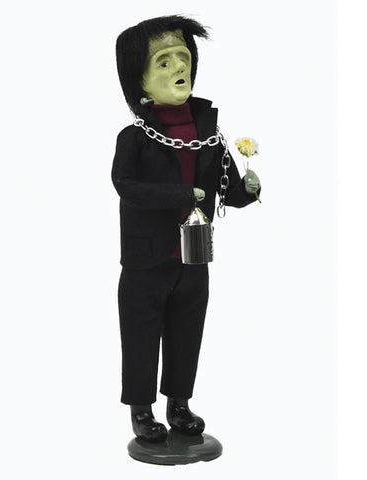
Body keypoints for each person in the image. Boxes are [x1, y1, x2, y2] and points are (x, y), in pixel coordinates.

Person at [113, 15, 261, 443]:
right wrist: (182, 194)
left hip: (194, 255)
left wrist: (248, 190)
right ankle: (141, 410)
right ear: (139, 81)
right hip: (147, 257)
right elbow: (126, 186)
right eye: (163, 61)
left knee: (187, 330)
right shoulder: (134, 137)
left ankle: (179, 403)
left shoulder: (209, 132)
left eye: (183, 57)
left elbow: (227, 189)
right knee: (141, 333)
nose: (179, 67)